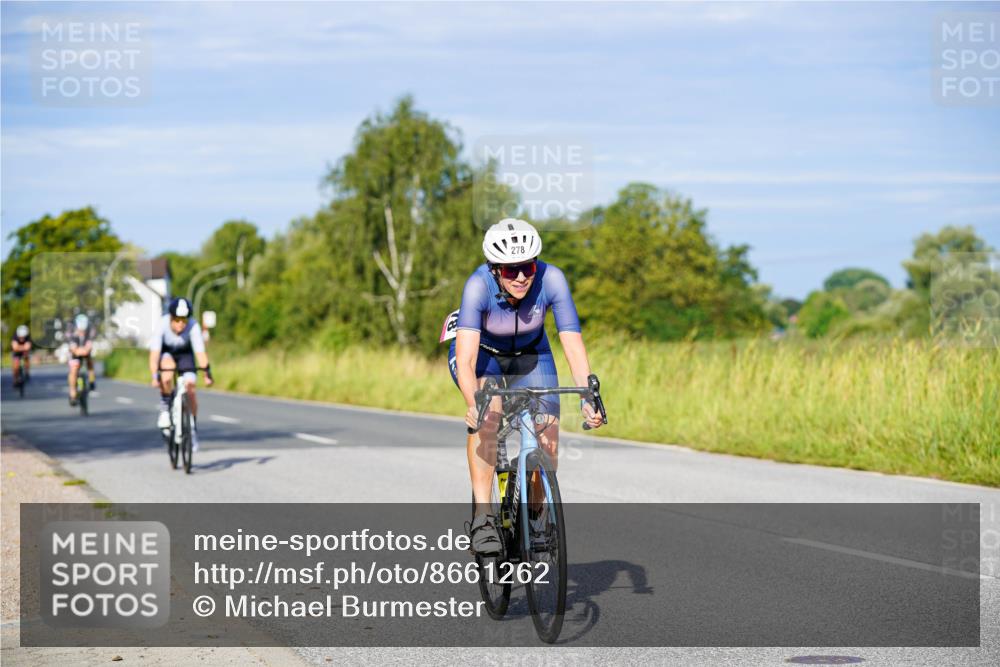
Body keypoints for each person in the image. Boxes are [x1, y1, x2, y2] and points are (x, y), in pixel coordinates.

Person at [448, 218, 603, 554]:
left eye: (528, 267)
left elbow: (572, 343)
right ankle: (483, 519)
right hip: (485, 358)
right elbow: (466, 358)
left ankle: (535, 517)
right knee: (489, 417)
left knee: (547, 436)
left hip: (533, 356)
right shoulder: (477, 286)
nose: (521, 277)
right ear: (494, 269)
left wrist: (588, 396)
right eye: (510, 270)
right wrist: (473, 402)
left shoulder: (553, 279)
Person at [149, 297, 213, 452]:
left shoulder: (193, 326)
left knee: (191, 387)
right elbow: (154, 354)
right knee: (167, 374)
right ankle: (165, 408)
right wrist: (154, 375)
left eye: (184, 320)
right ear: (171, 318)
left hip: (185, 355)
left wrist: (206, 374)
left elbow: (200, 353)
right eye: (177, 320)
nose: (181, 324)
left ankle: (191, 428)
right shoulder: (162, 324)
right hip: (167, 354)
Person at [67, 314, 95, 406]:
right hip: (74, 355)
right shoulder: (72, 333)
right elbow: (73, 349)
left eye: (83, 330)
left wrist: (84, 350)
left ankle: (91, 380)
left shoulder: (89, 333)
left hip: (84, 353)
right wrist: (79, 351)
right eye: (80, 330)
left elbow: (89, 346)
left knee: (89, 361)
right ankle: (72, 393)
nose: (82, 332)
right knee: (74, 369)